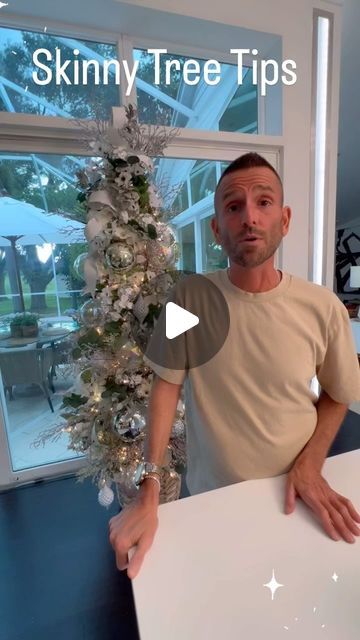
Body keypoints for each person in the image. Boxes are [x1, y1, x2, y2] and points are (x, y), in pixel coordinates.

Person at [109, 153, 360, 579]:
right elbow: (166, 387)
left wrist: (310, 464)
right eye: (233, 206)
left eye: (264, 203)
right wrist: (149, 487)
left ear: (284, 220)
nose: (249, 218)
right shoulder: (186, 299)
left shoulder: (324, 307)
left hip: (297, 494)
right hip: (213, 500)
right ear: (216, 230)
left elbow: (338, 392)